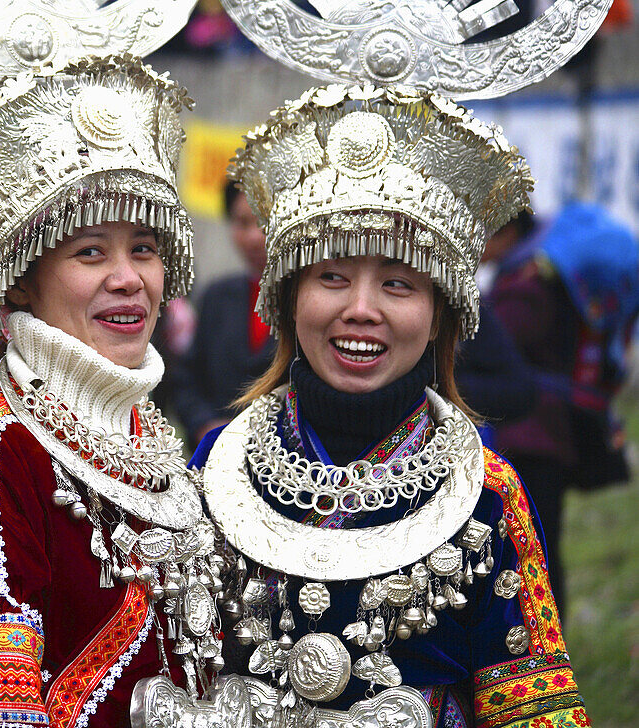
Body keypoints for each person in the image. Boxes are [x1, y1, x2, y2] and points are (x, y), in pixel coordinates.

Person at [193, 86, 588, 727]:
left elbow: (536, 712)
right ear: (290, 299)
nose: (362, 309)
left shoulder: (488, 495)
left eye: (398, 283)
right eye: (332, 277)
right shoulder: (218, 467)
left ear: (439, 319)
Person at [0, 56, 230, 728]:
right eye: (90, 253)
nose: (129, 278)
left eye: (144, 248)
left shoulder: (149, 433)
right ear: (22, 280)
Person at [488, 202, 639, 615]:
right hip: (545, 437)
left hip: (530, 441)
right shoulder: (540, 272)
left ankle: (549, 654)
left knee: (534, 555)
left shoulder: (525, 287)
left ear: (506, 234)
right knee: (540, 552)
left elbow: (485, 348)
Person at [172, 182, 274, 445]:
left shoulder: (309, 303)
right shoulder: (217, 296)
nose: (254, 237)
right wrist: (204, 425)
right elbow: (186, 378)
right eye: (242, 223)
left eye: (265, 221)